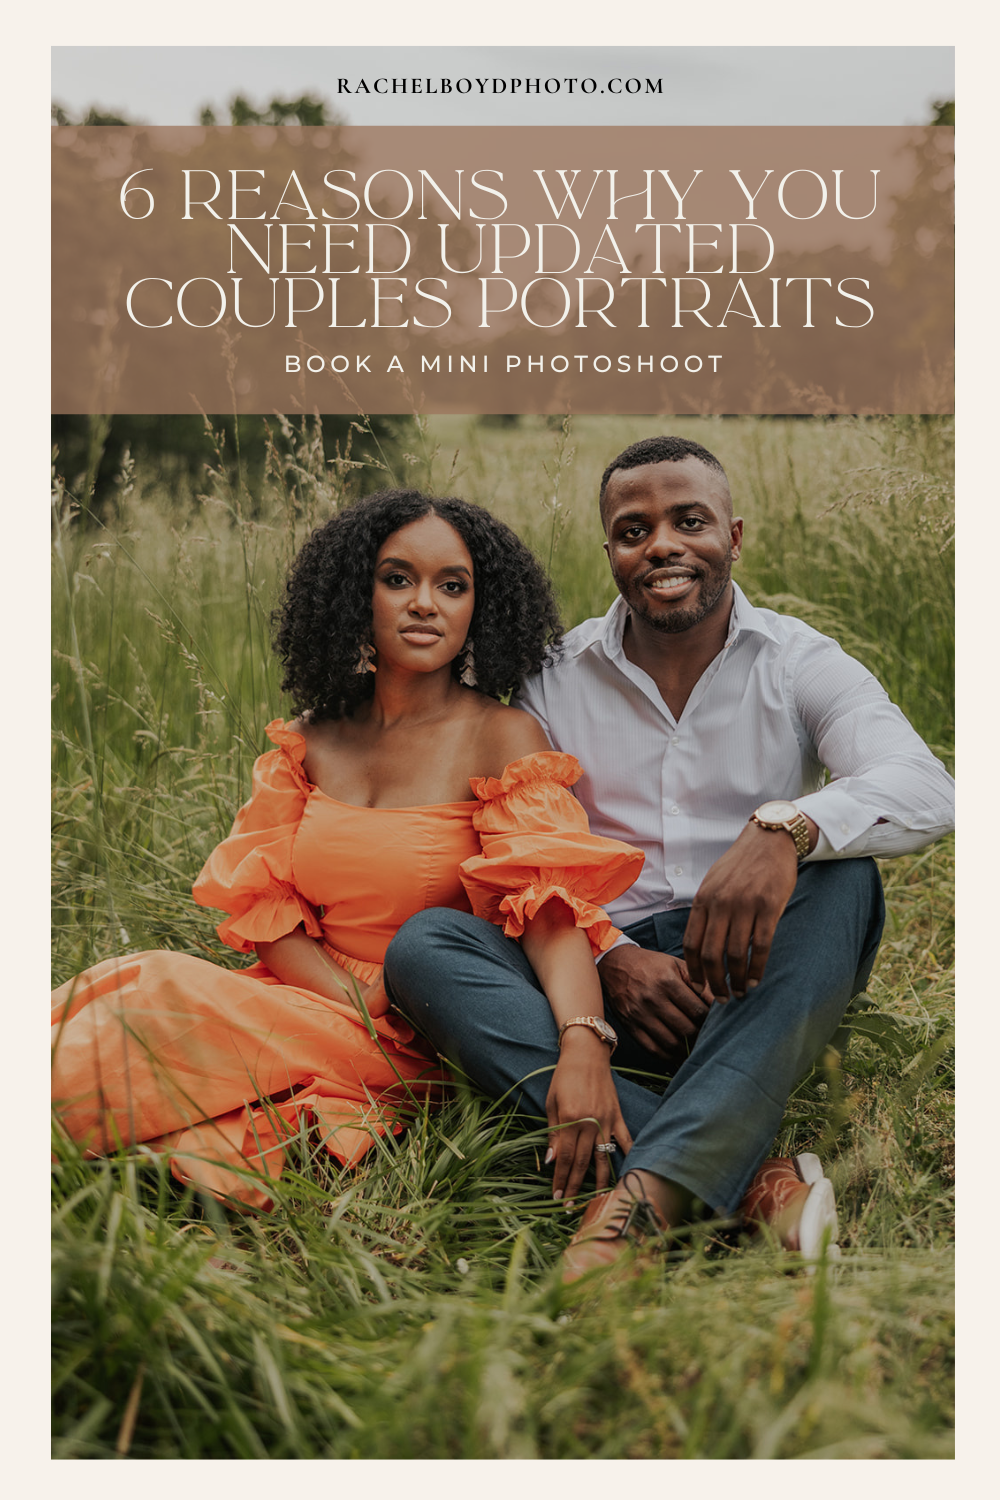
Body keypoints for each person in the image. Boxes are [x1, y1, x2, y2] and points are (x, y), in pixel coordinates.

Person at [383, 436, 955, 1280]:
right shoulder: (554, 678)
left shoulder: (798, 661)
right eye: (633, 529)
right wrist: (610, 955)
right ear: (612, 550)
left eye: (690, 521)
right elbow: (532, 851)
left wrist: (783, 831)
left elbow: (926, 787)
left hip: (754, 978)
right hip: (604, 994)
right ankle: (754, 1185)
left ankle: (638, 1211)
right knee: (427, 947)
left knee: (844, 877)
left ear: (734, 536)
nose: (662, 545)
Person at [51, 489, 645, 1210]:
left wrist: (583, 1040)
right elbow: (268, 909)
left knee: (157, 997)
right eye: (398, 579)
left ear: (478, 609)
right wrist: (349, 1001)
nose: (424, 603)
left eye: (451, 586)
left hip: (423, 1015)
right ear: (353, 595)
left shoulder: (502, 736)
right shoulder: (309, 740)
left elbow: (552, 910)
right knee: (120, 989)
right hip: (314, 997)